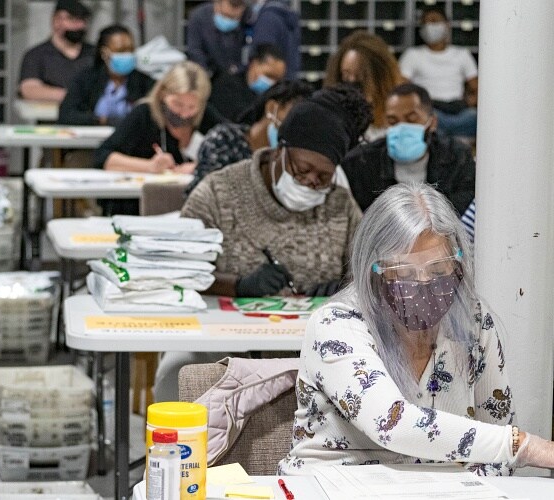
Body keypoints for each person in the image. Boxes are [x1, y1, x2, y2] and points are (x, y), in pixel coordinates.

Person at [279, 183, 554, 476]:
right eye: (404, 273)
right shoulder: (337, 325)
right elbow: (391, 424)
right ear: (374, 271)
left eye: (439, 271)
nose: (424, 284)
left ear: (459, 263)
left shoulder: (471, 320)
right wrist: (523, 446)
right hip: (332, 486)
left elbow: (495, 426)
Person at [154, 84, 373, 402]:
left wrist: (342, 289)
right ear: (280, 150)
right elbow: (176, 273)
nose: (310, 183)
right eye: (302, 170)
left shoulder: (339, 205)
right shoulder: (219, 192)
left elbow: (366, 274)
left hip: (306, 348)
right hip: (219, 344)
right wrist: (237, 285)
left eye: (322, 178)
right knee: (178, 372)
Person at [93, 61, 224, 214]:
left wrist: (201, 167)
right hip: (138, 208)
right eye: (177, 104)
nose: (183, 114)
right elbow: (103, 157)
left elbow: (236, 150)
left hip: (191, 206)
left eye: (191, 107)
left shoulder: (205, 117)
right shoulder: (144, 115)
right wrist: (149, 167)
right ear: (163, 94)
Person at [341, 83, 475, 215]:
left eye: (411, 120)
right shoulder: (361, 163)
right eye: (392, 121)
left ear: (432, 122)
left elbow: (464, 210)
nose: (402, 127)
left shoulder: (457, 157)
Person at [186, 80, 313, 194]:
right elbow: (206, 193)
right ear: (271, 108)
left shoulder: (291, 156)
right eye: (294, 118)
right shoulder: (225, 139)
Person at [399, 6, 478, 137]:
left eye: (434, 21)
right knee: (426, 119)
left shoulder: (462, 54)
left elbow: (476, 87)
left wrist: (468, 102)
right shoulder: (412, 55)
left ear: (447, 25)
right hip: (430, 107)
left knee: (475, 118)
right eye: (425, 23)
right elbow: (401, 87)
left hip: (458, 109)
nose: (429, 26)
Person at [58, 24, 154, 126]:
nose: (127, 55)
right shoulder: (86, 79)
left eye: (130, 50)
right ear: (104, 53)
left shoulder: (144, 82)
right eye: (121, 50)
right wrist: (102, 120)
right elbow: (66, 115)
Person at [324, 31, 406, 141]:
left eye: (359, 76)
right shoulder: (334, 113)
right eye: (346, 74)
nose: (351, 81)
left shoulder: (396, 114)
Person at [18, 0, 95, 103]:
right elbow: (29, 90)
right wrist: (72, 95)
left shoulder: (95, 53)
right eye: (72, 19)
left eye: (82, 20)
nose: (78, 25)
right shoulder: (36, 55)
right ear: (56, 21)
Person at [208, 44, 287, 122]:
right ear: (254, 64)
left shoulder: (273, 99)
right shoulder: (225, 85)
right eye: (269, 76)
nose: (272, 83)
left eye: (277, 80)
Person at [186, 0, 249, 76]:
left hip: (235, 74)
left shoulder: (246, 17)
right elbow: (195, 50)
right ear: (217, 5)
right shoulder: (199, 17)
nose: (230, 20)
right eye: (226, 16)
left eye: (235, 18)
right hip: (207, 72)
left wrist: (239, 68)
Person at [248, 0, 301, 80]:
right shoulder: (284, 14)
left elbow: (265, 58)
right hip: (287, 81)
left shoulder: (268, 19)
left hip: (272, 82)